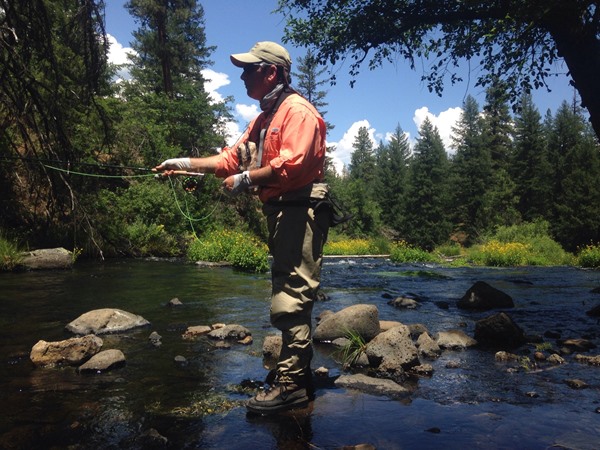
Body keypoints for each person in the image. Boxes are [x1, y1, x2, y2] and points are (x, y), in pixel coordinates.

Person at [154, 41, 331, 414]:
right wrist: (185, 163)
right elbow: (231, 158)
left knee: (292, 293)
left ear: (271, 72)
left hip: (300, 210)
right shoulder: (264, 117)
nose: (242, 75)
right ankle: (294, 371)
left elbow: (293, 165)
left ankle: (293, 384)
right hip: (283, 211)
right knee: (286, 287)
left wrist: (246, 181)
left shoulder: (297, 111)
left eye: (249, 69)